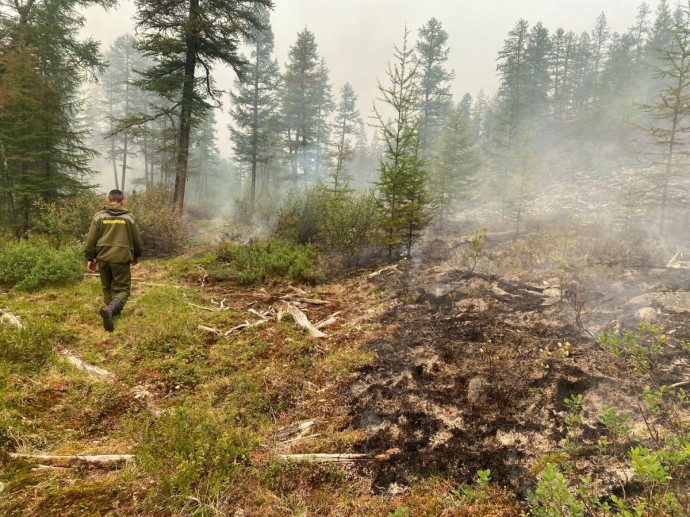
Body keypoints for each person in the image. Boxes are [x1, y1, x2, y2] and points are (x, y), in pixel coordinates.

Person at [85, 189, 144, 332]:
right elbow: (137, 240)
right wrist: (137, 255)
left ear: (107, 200)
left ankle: (110, 314)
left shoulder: (98, 217)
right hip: (121, 257)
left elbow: (91, 240)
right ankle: (111, 310)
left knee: (108, 288)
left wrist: (90, 258)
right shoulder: (129, 218)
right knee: (123, 289)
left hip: (103, 258)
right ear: (123, 201)